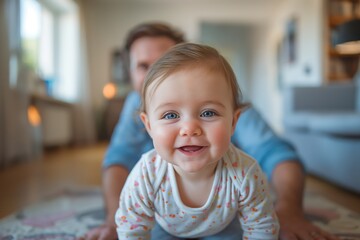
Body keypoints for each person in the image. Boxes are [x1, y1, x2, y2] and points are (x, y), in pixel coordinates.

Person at [83, 22, 339, 240]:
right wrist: (115, 219)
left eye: (167, 63)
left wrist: (289, 211)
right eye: (144, 66)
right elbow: (118, 158)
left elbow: (274, 151)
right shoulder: (133, 110)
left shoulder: (224, 97)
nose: (189, 127)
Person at [115, 42, 279, 239]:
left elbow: (261, 227)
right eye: (170, 115)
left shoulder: (244, 173)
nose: (190, 128)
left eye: (208, 112)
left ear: (233, 122)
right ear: (149, 125)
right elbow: (132, 228)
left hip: (223, 229)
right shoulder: (147, 174)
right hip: (165, 229)